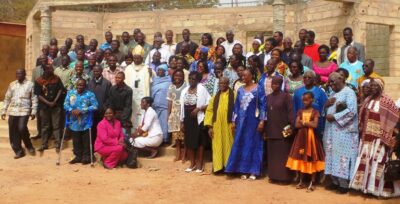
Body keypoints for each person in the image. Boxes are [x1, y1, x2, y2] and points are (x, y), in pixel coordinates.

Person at [350, 79, 400, 197]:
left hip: (380, 138)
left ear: (380, 87)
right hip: (367, 137)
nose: (372, 88)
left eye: (374, 86)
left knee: (379, 162)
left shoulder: (387, 100)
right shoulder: (367, 100)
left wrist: (391, 134)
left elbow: (395, 118)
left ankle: (378, 190)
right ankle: (365, 187)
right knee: (366, 161)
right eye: (371, 86)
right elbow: (362, 118)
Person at [225, 69, 266, 180]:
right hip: (242, 122)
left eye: (245, 76)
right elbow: (236, 107)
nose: (243, 78)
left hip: (254, 122)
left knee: (254, 144)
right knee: (241, 143)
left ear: (251, 76)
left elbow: (263, 106)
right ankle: (243, 170)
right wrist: (233, 121)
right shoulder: (240, 90)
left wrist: (262, 121)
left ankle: (253, 171)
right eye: (242, 76)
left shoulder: (259, 88)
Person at [323, 72, 359, 194]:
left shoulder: (349, 92)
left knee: (343, 157)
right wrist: (326, 105)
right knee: (333, 155)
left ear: (341, 79)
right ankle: (335, 182)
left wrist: (335, 117)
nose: (330, 84)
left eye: (333, 81)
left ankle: (344, 185)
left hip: (345, 132)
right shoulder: (332, 93)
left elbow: (352, 111)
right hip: (331, 132)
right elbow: (326, 111)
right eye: (329, 82)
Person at [286, 92, 325, 192]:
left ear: (312, 99)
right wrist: (308, 123)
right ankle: (301, 180)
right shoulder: (300, 111)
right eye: (303, 100)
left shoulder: (315, 111)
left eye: (307, 99)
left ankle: (312, 182)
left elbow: (315, 125)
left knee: (312, 158)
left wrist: (303, 122)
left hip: (311, 138)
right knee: (300, 157)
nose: (305, 102)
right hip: (301, 138)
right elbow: (296, 125)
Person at [1, 69, 38, 159]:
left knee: (21, 128)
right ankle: (18, 151)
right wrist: (3, 110)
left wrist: (33, 111)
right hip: (13, 110)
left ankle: (28, 145)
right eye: (17, 73)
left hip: (24, 110)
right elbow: (7, 98)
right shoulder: (12, 84)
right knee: (13, 131)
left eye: (21, 73)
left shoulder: (30, 84)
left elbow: (34, 98)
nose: (18, 75)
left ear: (24, 74)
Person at [265, 76, 294, 183]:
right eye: (273, 83)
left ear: (281, 84)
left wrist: (291, 127)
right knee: (273, 155)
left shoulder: (286, 97)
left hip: (283, 130)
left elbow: (291, 113)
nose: (274, 85)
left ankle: (285, 178)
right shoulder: (268, 97)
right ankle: (273, 176)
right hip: (271, 129)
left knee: (283, 155)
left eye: (277, 84)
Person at [180, 71, 211, 173]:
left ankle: (200, 165)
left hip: (198, 118)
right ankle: (192, 163)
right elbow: (181, 107)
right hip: (187, 118)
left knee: (199, 142)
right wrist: (182, 122)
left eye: (193, 79)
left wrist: (199, 109)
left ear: (198, 80)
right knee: (189, 141)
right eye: (190, 78)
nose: (191, 81)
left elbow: (209, 102)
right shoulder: (184, 90)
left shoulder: (202, 89)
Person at [204, 77, 235, 173]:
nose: (222, 85)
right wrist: (209, 127)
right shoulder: (215, 97)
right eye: (221, 83)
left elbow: (237, 110)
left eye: (225, 83)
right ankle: (218, 167)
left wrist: (235, 122)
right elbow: (209, 111)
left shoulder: (234, 95)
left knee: (229, 145)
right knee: (217, 146)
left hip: (229, 125)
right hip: (217, 126)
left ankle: (229, 167)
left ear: (228, 83)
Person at [64, 78, 98, 164]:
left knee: (86, 140)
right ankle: (78, 156)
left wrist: (82, 110)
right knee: (76, 140)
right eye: (78, 85)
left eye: (82, 85)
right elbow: (65, 104)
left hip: (85, 121)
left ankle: (86, 157)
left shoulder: (90, 94)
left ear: (85, 85)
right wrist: (71, 110)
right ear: (76, 85)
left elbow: (95, 106)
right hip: (74, 121)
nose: (80, 86)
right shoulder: (70, 93)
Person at [34, 64, 64, 152]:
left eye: (52, 69)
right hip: (44, 107)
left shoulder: (56, 78)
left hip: (56, 106)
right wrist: (48, 103)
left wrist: (55, 101)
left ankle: (57, 143)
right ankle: (44, 144)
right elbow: (38, 94)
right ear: (45, 70)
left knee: (56, 125)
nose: (52, 70)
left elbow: (60, 90)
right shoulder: (39, 80)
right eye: (50, 69)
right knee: (45, 126)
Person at [293, 71, 328, 139]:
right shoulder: (297, 92)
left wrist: (322, 125)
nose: (307, 79)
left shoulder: (320, 92)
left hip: (316, 124)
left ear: (314, 79)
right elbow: (294, 108)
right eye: (305, 77)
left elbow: (324, 108)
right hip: (301, 125)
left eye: (309, 77)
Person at [124, 53, 152, 130]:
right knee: (132, 112)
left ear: (142, 58)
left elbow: (151, 81)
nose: (136, 60)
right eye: (135, 58)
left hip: (142, 94)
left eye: (138, 58)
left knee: (142, 112)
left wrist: (151, 73)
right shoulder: (128, 68)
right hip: (132, 95)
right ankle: (132, 131)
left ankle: (142, 130)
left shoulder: (146, 68)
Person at [88, 65, 112, 148]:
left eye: (97, 71)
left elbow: (109, 98)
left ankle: (103, 147)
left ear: (101, 71)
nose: (96, 73)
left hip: (102, 112)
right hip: (92, 112)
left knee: (102, 131)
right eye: (94, 71)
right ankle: (94, 148)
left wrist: (105, 108)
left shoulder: (107, 83)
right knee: (93, 130)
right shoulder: (90, 83)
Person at [167, 69, 188, 161]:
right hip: (174, 113)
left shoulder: (186, 86)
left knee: (184, 134)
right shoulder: (171, 87)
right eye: (176, 76)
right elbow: (169, 101)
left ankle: (184, 154)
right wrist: (168, 114)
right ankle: (178, 153)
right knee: (176, 135)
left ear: (183, 77)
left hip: (183, 112)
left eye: (180, 76)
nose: (177, 78)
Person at [107, 72, 133, 140]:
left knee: (125, 136)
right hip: (114, 114)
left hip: (124, 116)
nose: (117, 79)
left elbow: (128, 106)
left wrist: (123, 119)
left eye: (119, 78)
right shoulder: (112, 89)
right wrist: (112, 115)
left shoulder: (128, 90)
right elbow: (111, 103)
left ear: (124, 78)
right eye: (116, 78)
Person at [151, 64, 171, 144]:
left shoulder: (169, 81)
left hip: (165, 106)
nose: (159, 72)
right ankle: (156, 139)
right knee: (156, 123)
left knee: (164, 123)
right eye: (158, 70)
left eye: (161, 70)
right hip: (155, 105)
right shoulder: (155, 80)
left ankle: (165, 139)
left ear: (165, 72)